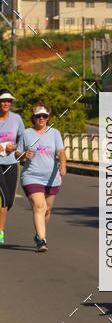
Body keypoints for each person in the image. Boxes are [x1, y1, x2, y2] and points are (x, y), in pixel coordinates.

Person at [19, 103, 66, 253]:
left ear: (48, 118)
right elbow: (17, 154)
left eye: (44, 116)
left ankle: (39, 234)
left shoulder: (54, 133)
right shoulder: (26, 134)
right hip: (31, 176)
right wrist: (24, 155)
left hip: (52, 178)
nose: (41, 118)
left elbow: (60, 151)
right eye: (38, 116)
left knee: (47, 210)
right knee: (40, 206)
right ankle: (42, 240)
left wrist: (63, 164)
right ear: (33, 117)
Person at [0, 89, 25, 245]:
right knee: (2, 199)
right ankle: (0, 232)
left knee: (9, 202)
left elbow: (23, 138)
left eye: (8, 101)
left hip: (11, 163)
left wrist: (15, 148)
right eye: (3, 101)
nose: (6, 103)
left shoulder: (17, 119)